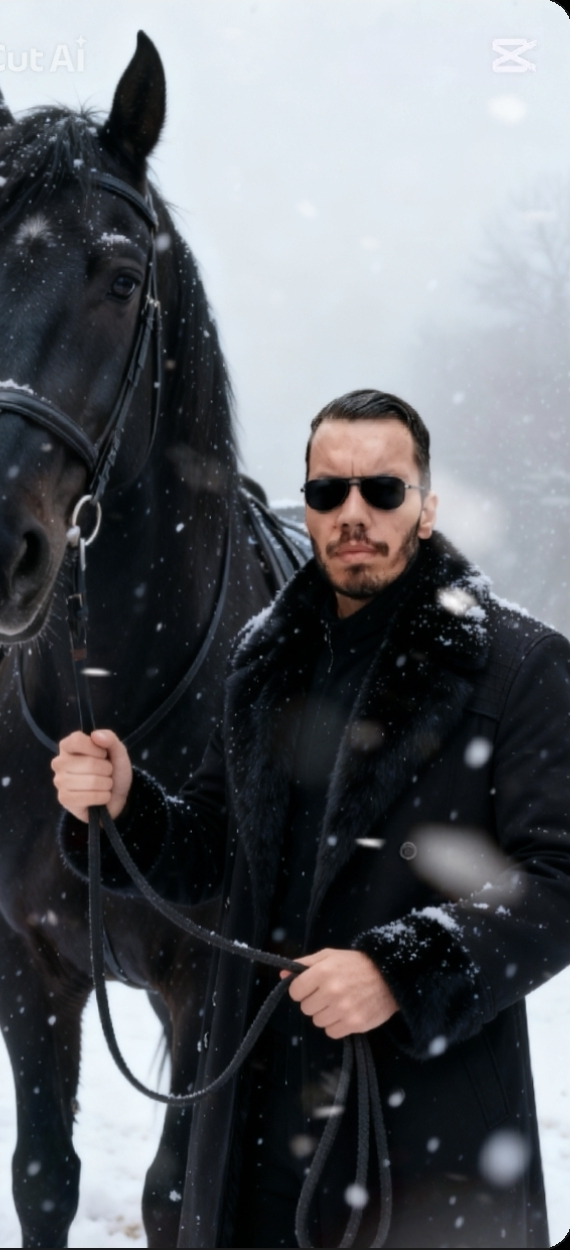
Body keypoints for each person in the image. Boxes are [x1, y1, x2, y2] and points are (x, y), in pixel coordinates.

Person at [52, 389, 570, 1248]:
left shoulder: (519, 664)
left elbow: (558, 880)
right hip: (254, 1117)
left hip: (419, 1134)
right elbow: (212, 848)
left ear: (426, 507)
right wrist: (126, 807)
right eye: (329, 492)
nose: (353, 513)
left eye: (383, 490)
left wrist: (401, 972)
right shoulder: (262, 657)